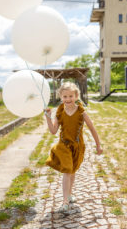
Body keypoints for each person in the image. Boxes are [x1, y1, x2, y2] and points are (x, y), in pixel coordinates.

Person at [44, 82, 103, 215]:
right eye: (65, 96)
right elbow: (53, 130)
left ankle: (69, 194)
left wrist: (98, 145)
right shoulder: (60, 112)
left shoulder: (81, 112)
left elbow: (92, 129)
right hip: (63, 145)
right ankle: (65, 201)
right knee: (67, 170)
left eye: (71, 96)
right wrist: (48, 117)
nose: (68, 99)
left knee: (73, 171)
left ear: (76, 96)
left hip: (77, 146)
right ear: (61, 97)